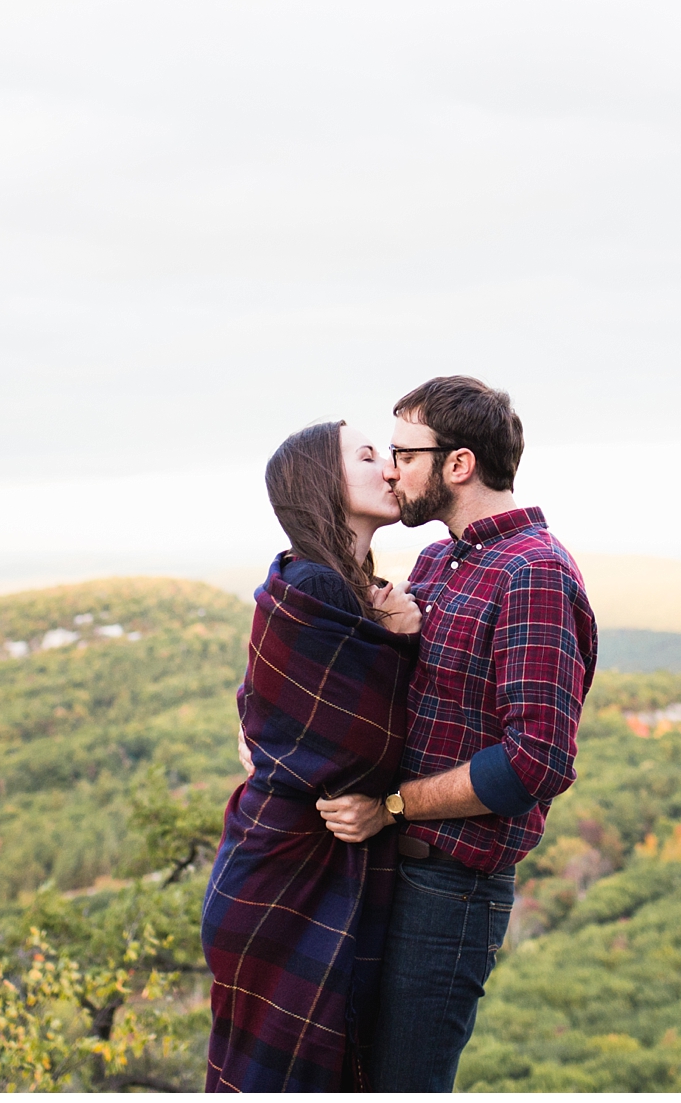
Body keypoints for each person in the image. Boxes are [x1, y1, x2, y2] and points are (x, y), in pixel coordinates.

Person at [316, 376, 597, 1092]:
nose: (391, 469)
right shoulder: (441, 560)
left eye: (406, 454)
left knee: (403, 1085)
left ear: (459, 465)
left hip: (450, 891)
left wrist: (397, 805)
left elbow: (535, 761)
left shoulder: (533, 572)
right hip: (383, 868)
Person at [200, 421, 422, 1091]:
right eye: (367, 456)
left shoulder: (326, 584)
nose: (389, 467)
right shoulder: (321, 588)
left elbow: (262, 709)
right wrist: (403, 641)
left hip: (278, 864)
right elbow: (362, 749)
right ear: (323, 483)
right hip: (290, 876)